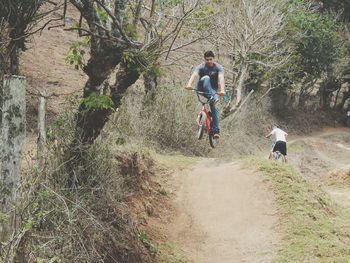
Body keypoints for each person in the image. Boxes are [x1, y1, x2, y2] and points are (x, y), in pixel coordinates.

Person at [185, 51, 225, 138]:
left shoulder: (218, 68)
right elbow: (194, 75)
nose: (209, 61)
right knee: (206, 78)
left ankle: (216, 131)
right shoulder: (201, 67)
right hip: (201, 88)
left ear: (213, 59)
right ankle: (202, 123)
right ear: (204, 60)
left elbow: (221, 78)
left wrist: (222, 90)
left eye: (211, 59)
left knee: (214, 109)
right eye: (207, 60)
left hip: (213, 91)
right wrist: (189, 84)